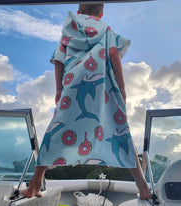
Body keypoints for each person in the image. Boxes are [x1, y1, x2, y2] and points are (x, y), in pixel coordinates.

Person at [22, 4, 151, 200]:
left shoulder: (69, 29)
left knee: (55, 130)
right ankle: (142, 187)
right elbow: (114, 56)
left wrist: (58, 89)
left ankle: (35, 183)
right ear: (101, 14)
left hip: (73, 86)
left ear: (79, 12)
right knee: (120, 131)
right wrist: (122, 89)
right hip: (103, 88)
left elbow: (58, 58)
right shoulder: (106, 30)